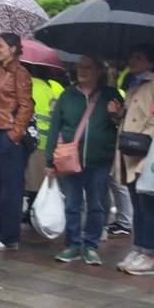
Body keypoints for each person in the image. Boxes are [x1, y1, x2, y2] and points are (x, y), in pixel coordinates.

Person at [45, 55, 122, 267]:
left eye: (88, 68)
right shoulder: (67, 95)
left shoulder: (111, 95)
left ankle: (91, 245)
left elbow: (122, 124)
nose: (82, 71)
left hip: (100, 160)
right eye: (80, 67)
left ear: (99, 72)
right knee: (72, 203)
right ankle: (72, 244)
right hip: (70, 160)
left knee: (97, 204)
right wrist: (49, 158)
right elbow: (55, 127)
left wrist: (117, 115)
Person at [110, 45, 154, 276]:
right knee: (137, 205)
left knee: (147, 205)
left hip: (145, 153)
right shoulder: (134, 84)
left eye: (138, 57)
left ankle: (149, 254)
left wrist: (151, 136)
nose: (132, 60)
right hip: (129, 152)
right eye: (132, 55)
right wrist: (117, 113)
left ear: (151, 61)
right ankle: (137, 249)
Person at [0, 33, 34, 252]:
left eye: (0, 46)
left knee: (10, 189)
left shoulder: (20, 73)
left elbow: (27, 105)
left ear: (13, 48)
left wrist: (14, 134)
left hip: (8, 134)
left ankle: (9, 235)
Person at [24, 65, 64, 220]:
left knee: (28, 179)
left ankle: (30, 213)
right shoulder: (54, 87)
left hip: (25, 137)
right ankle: (35, 212)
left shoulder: (24, 83)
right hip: (45, 140)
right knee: (38, 181)